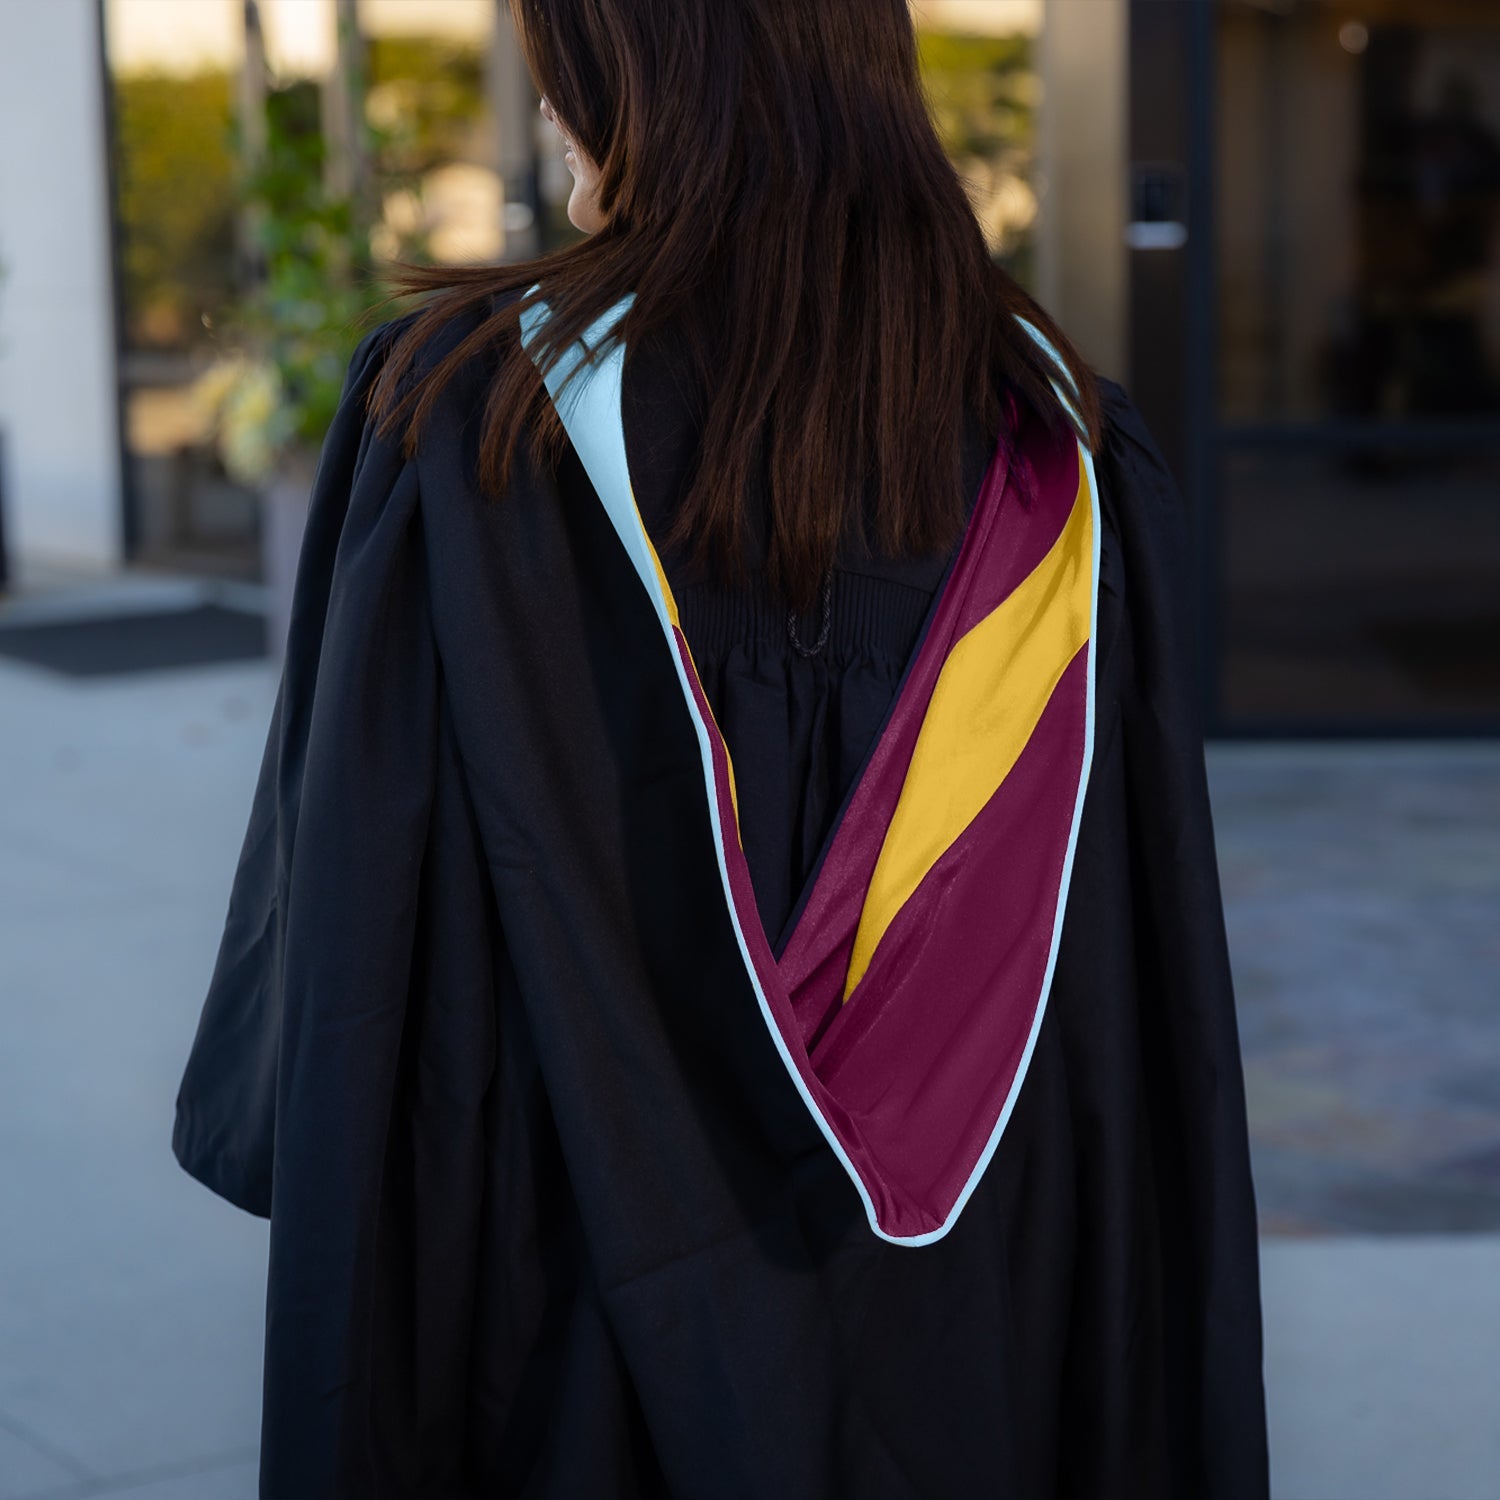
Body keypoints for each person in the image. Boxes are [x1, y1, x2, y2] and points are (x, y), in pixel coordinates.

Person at [171, 1, 1269, 1495]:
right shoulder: (1057, 442)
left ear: (652, 74)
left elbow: (357, 946)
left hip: (563, 1316)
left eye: (565, 59)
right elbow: (1138, 1008)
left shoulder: (468, 427)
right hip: (989, 1322)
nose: (546, 105)